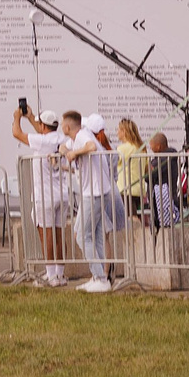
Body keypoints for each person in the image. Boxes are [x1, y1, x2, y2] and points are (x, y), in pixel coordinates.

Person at [12, 105, 71, 286]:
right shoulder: (61, 138)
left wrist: (17, 117)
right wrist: (30, 117)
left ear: (44, 127)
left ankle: (50, 274)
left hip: (44, 195)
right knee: (59, 234)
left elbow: (17, 133)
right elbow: (42, 131)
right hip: (62, 193)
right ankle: (59, 275)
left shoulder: (42, 141)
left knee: (46, 235)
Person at [64, 109, 117, 293]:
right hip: (98, 191)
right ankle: (99, 276)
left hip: (93, 193)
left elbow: (90, 148)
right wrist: (68, 152)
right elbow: (66, 148)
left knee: (82, 236)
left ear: (67, 125)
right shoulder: (81, 136)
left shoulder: (82, 136)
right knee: (96, 235)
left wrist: (73, 153)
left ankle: (101, 278)